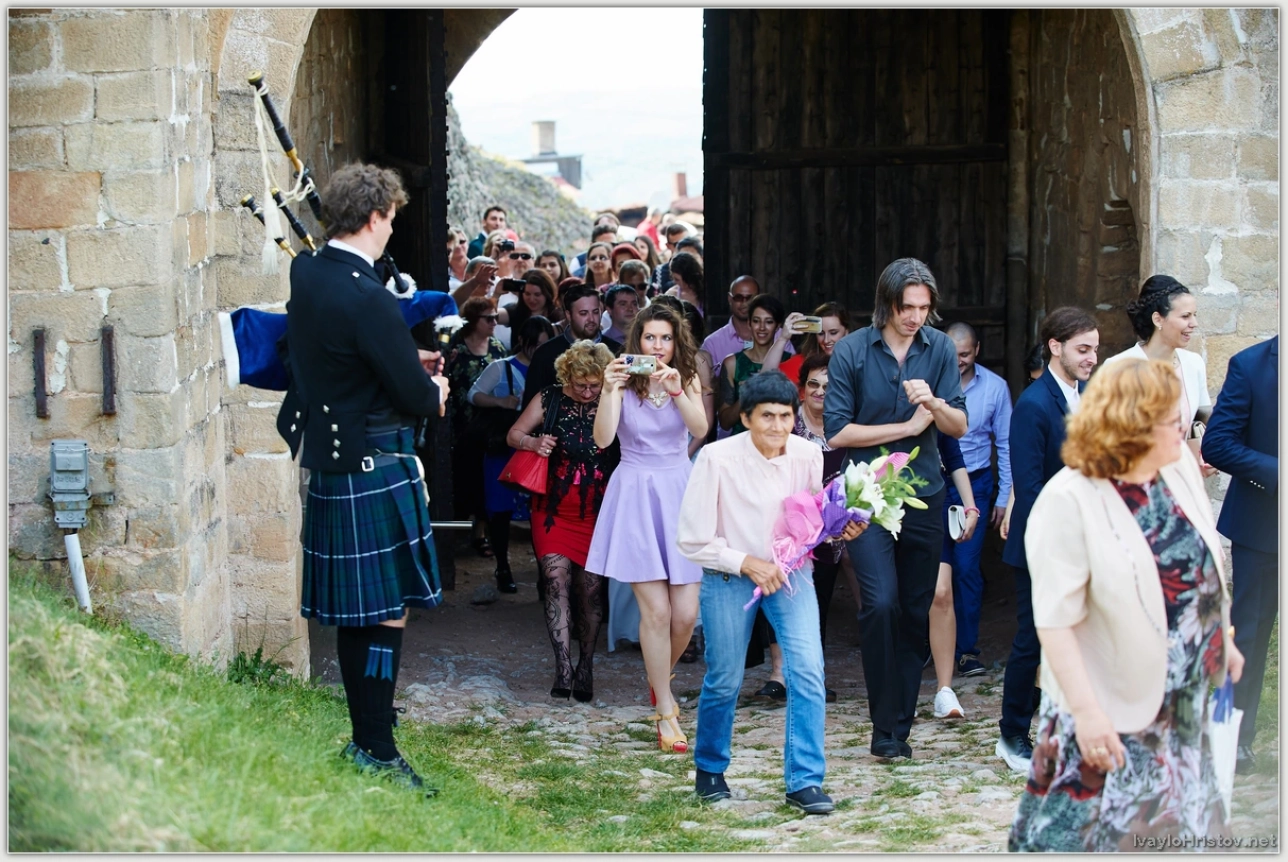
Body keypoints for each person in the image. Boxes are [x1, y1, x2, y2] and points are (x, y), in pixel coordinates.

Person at [1009, 358, 1243, 851]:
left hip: (1183, 702)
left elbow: (1204, 563)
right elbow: (1055, 622)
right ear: (1127, 425)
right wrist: (1089, 714)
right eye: (1167, 418)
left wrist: (1225, 637)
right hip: (1108, 708)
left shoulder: (1176, 465)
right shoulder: (1067, 499)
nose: (1183, 426)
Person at [276, 162, 448, 793]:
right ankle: (374, 745)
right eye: (392, 219)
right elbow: (414, 395)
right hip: (375, 462)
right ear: (375, 216)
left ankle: (367, 735)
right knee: (384, 612)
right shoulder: (368, 294)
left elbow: (340, 356)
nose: (391, 229)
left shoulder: (310, 271)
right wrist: (434, 385)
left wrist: (404, 358)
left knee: (358, 614)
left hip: (336, 460)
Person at [679, 371, 866, 813]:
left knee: (808, 670)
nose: (778, 427)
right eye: (768, 417)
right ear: (746, 418)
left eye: (786, 416)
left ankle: (804, 781)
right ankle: (709, 769)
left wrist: (842, 527)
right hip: (730, 573)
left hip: (790, 571)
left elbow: (811, 518)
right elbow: (691, 539)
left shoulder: (805, 453)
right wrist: (745, 562)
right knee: (725, 677)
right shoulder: (716, 458)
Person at [823, 257, 967, 760]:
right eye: (907, 307)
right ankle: (884, 719)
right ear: (887, 303)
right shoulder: (852, 350)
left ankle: (895, 729)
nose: (915, 318)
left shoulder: (941, 348)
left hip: (925, 494)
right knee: (879, 603)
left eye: (924, 309)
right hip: (867, 494)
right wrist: (905, 430)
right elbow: (836, 431)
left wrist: (934, 406)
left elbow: (958, 427)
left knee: (912, 610)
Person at [588, 303, 709, 753]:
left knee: (686, 614)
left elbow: (701, 427)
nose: (657, 347)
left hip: (680, 490)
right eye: (649, 338)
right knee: (655, 612)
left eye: (665, 339)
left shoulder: (686, 378)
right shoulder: (622, 381)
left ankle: (661, 681)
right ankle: (665, 712)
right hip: (636, 492)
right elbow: (603, 439)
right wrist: (608, 389)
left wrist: (678, 390)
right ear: (637, 341)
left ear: (675, 343)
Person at [995, 306, 1099, 773]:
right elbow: (1030, 486)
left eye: (1095, 349)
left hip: (1082, 540)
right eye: (1083, 349)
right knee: (1032, 642)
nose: (1092, 358)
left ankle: (1067, 730)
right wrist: (1058, 546)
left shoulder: (1086, 397)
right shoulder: (1035, 404)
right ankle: (1012, 734)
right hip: (1043, 545)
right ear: (1055, 347)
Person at [506, 340, 618, 701]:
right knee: (555, 579)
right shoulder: (549, 397)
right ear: (566, 376)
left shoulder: (614, 401)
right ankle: (563, 665)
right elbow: (514, 434)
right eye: (579, 384)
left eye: (594, 385)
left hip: (597, 513)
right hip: (553, 509)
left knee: (590, 591)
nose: (586, 392)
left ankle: (586, 664)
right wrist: (532, 444)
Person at [1202, 335, 1278, 774]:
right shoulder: (1249, 365)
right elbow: (1217, 444)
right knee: (1249, 635)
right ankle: (1236, 739)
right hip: (1263, 527)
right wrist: (1277, 471)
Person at [940, 322, 1012, 678]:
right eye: (953, 356)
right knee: (929, 569)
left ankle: (967, 650)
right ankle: (929, 644)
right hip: (934, 483)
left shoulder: (996, 388)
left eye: (965, 355)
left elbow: (1006, 444)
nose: (959, 363)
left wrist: (1004, 495)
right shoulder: (932, 383)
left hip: (978, 483)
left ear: (978, 350)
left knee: (967, 568)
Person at [467, 315, 557, 594]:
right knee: (500, 510)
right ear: (524, 341)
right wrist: (500, 401)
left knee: (540, 512)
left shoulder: (554, 368)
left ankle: (546, 573)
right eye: (536, 344)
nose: (541, 349)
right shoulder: (500, 367)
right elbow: (473, 394)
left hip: (540, 449)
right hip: (503, 447)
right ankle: (503, 566)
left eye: (546, 343)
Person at [1104, 275, 1215, 476]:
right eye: (1185, 316)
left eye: (1194, 315)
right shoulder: (1118, 367)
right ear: (1158, 319)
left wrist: (1203, 458)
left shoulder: (1194, 363)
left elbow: (1200, 424)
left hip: (1184, 481)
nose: (1194, 323)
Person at [445, 296, 507, 560]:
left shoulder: (497, 348)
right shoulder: (456, 348)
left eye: (496, 317)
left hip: (488, 427)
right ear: (473, 321)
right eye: (488, 318)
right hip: (460, 425)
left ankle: (480, 533)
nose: (494, 322)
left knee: (485, 478)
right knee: (464, 477)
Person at [928, 429, 977, 720]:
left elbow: (954, 456)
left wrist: (970, 506)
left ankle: (945, 689)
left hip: (937, 496)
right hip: (890, 496)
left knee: (942, 592)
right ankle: (894, 687)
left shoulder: (935, 397)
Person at [522, 283, 622, 408]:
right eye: (583, 313)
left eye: (595, 312)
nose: (591, 319)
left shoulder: (617, 351)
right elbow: (530, 406)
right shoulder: (545, 354)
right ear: (568, 315)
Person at [719, 295, 788, 436]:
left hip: (779, 441)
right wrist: (747, 394)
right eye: (756, 321)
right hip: (742, 444)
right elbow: (725, 422)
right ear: (749, 323)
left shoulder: (789, 361)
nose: (762, 327)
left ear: (778, 326)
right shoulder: (733, 363)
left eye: (769, 322)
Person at [778, 301, 848, 385]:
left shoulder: (859, 362)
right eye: (821, 333)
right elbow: (765, 380)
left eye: (833, 333)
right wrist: (782, 339)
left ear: (846, 332)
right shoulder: (801, 363)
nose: (826, 340)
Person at [497, 268, 560, 333]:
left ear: (547, 294)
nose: (531, 299)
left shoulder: (559, 314)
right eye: (527, 294)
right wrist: (496, 294)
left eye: (537, 294)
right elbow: (491, 316)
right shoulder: (515, 311)